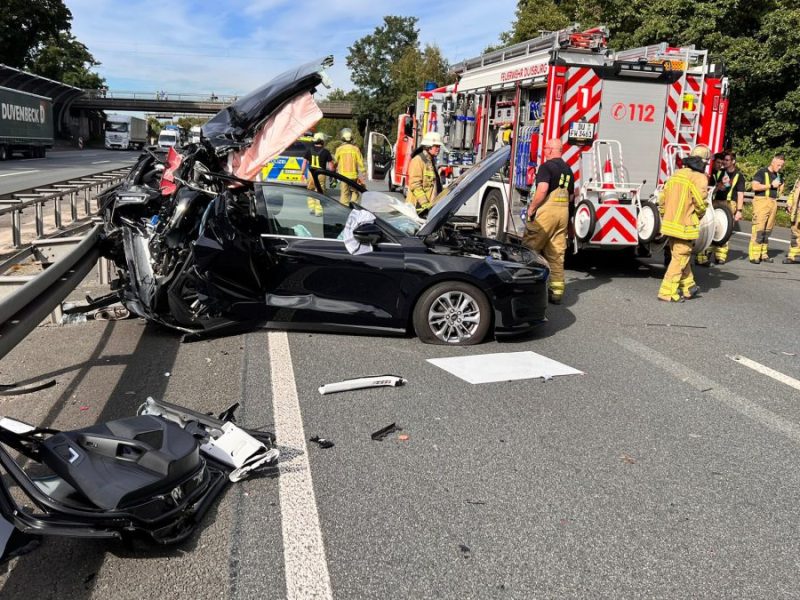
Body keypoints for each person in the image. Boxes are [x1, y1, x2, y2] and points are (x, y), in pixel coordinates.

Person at [522, 138, 574, 304]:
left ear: (551, 150)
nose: (544, 151)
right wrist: (569, 223)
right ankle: (556, 292)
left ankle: (525, 288)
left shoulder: (546, 167)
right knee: (557, 254)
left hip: (547, 214)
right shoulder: (568, 170)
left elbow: (542, 189)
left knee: (529, 249)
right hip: (563, 214)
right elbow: (572, 197)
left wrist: (532, 208)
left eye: (545, 148)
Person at [657, 144, 710, 302]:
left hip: (669, 224)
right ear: (702, 162)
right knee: (680, 258)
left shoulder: (676, 174)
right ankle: (667, 292)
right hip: (685, 226)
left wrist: (665, 215)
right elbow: (700, 204)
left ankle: (689, 287)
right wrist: (697, 217)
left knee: (680, 255)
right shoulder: (700, 178)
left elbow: (662, 199)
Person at [696, 151, 745, 265]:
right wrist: (721, 185)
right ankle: (706, 253)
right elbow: (713, 188)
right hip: (716, 203)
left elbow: (740, 194)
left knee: (725, 230)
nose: (724, 162)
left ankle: (720, 256)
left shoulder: (738, 176)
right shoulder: (719, 173)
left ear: (733, 161)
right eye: (724, 160)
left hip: (729, 204)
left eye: (727, 160)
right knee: (710, 228)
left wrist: (739, 210)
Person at [749, 153, 785, 263]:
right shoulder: (762, 172)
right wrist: (770, 185)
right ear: (773, 162)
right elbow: (754, 186)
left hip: (773, 203)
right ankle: (754, 255)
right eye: (778, 165)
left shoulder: (779, 176)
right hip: (762, 201)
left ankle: (763, 254)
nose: (780, 168)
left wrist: (781, 187)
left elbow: (779, 191)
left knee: (768, 230)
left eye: (782, 166)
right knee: (759, 229)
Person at [405, 132, 444, 216]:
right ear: (428, 146)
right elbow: (415, 185)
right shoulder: (418, 160)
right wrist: (424, 204)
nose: (438, 149)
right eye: (436, 146)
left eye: (439, 146)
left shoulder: (430, 161)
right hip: (418, 209)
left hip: (428, 208)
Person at [333, 128, 365, 206]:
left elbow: (335, 162)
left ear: (342, 139)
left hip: (343, 176)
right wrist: (364, 172)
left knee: (344, 193)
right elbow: (360, 162)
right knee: (355, 192)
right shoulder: (356, 149)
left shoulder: (339, 149)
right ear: (351, 139)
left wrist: (333, 170)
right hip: (353, 176)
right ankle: (353, 206)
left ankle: (344, 207)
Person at [304, 132, 334, 216]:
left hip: (310, 173)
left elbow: (304, 162)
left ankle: (311, 208)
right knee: (320, 191)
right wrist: (332, 174)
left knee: (310, 190)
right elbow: (331, 166)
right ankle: (319, 210)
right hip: (321, 174)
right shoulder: (326, 152)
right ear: (322, 141)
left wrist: (302, 172)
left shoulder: (309, 150)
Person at [785, 176, 800, 264]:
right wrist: (789, 204)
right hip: (797, 211)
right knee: (795, 234)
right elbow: (793, 192)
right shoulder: (798, 179)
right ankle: (793, 256)